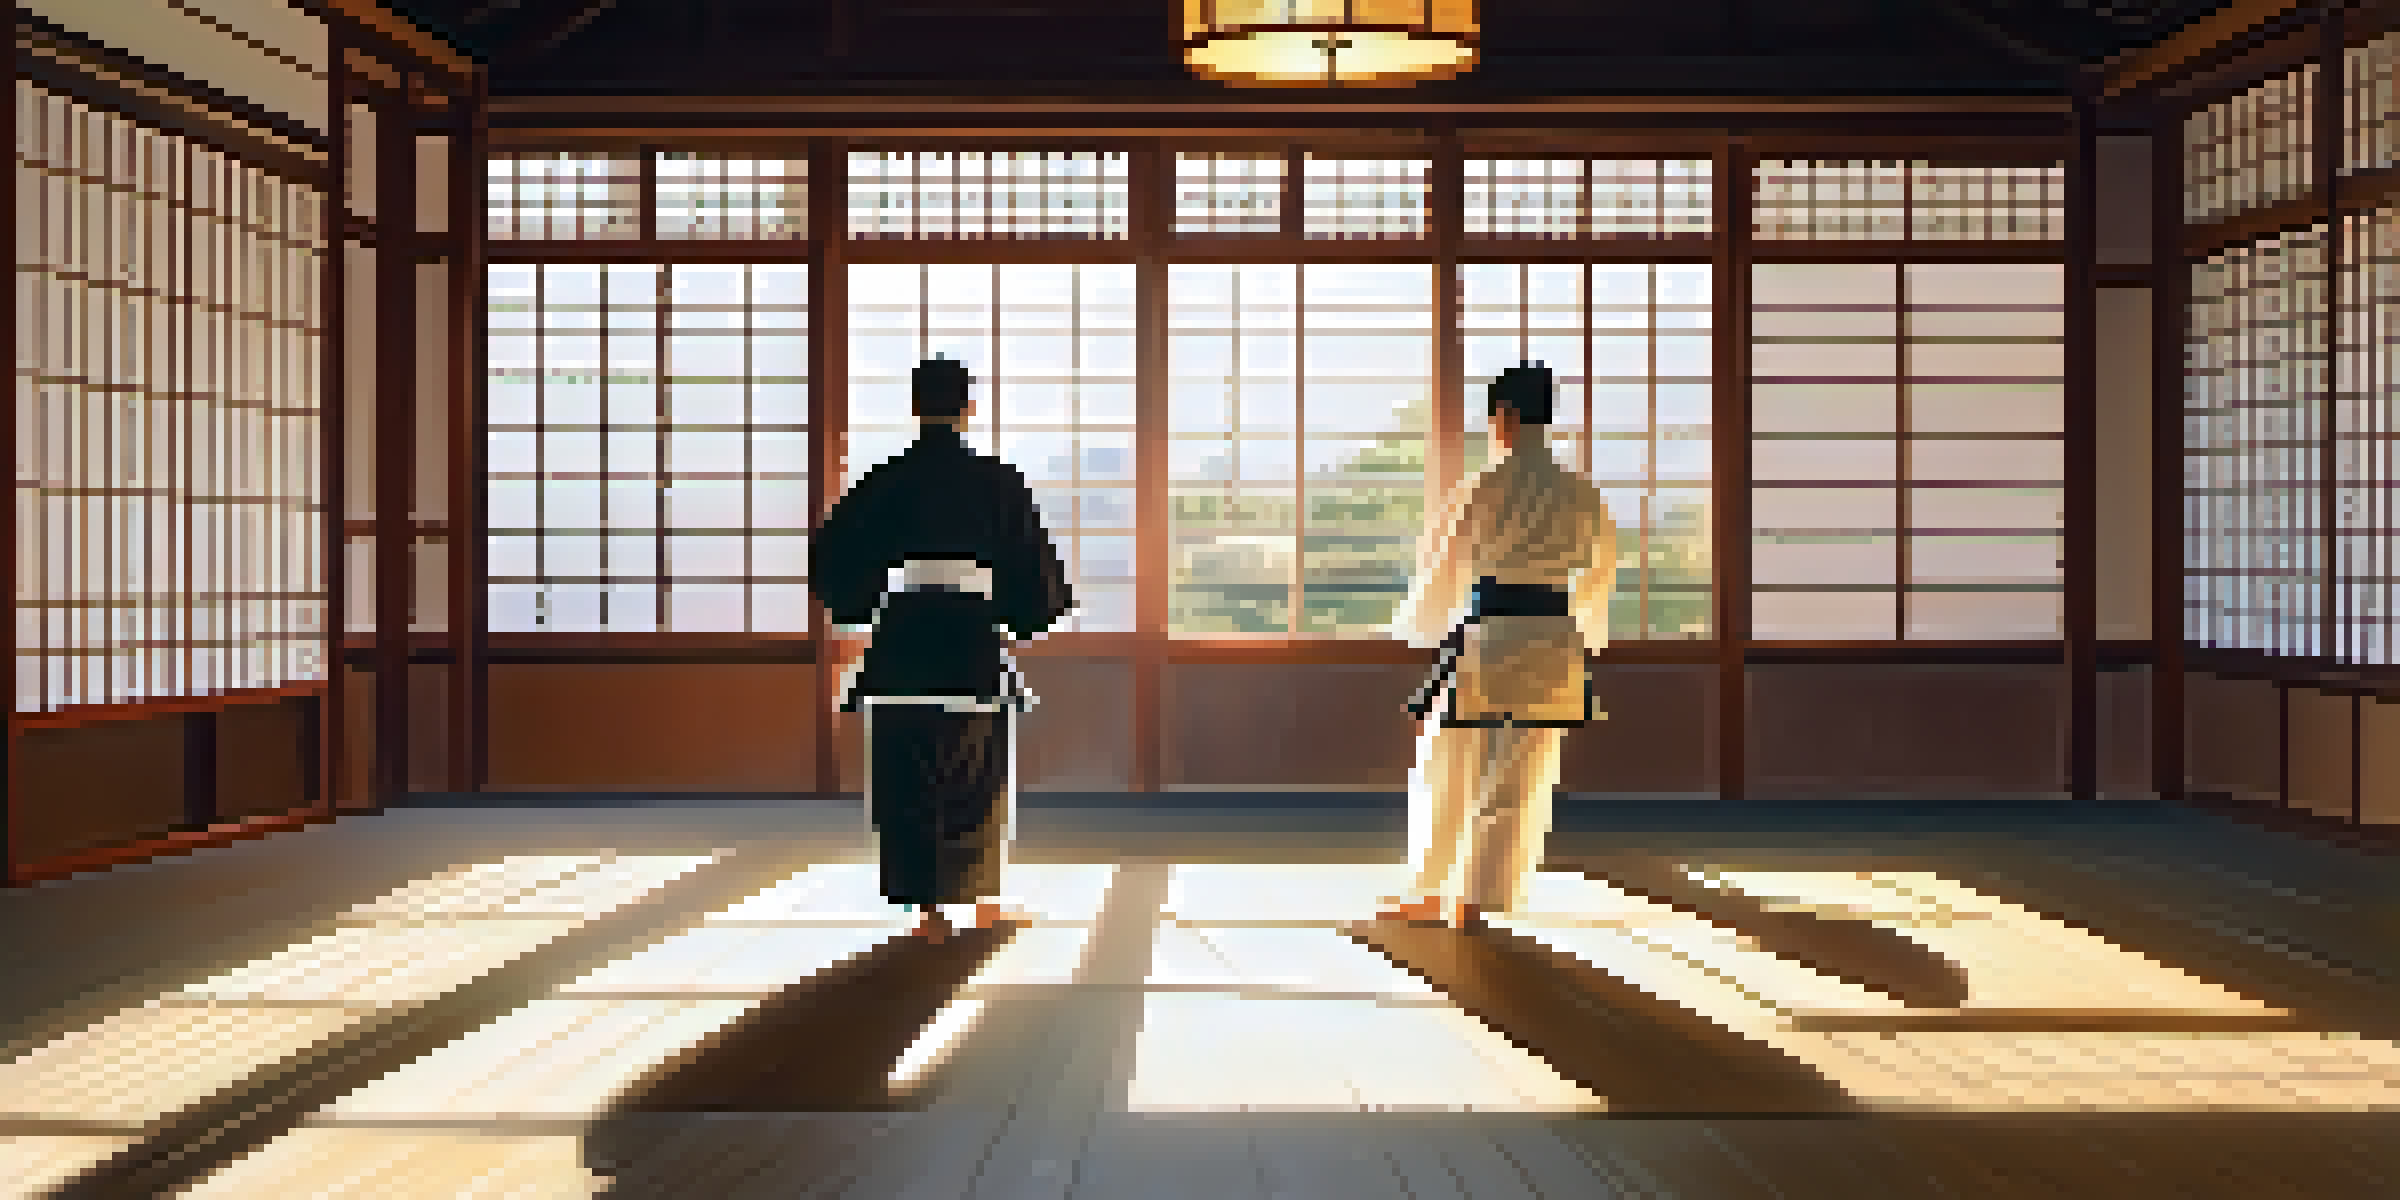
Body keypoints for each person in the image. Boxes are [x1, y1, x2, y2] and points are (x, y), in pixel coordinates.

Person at [810, 355, 1073, 941]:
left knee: (906, 772)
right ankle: (983, 905)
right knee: (976, 772)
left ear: (915, 407)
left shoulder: (884, 480)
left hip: (902, 635)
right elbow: (1034, 571)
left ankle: (927, 915)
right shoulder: (998, 483)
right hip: (970, 638)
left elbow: (833, 558)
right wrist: (1017, 614)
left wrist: (864, 602)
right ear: (968, 408)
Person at [1378, 363, 1618, 928]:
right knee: (1522, 768)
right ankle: (1479, 897)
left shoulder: (1484, 486)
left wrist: (1420, 626)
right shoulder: (1580, 492)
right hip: (1554, 638)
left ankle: (1434, 886)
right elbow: (1601, 570)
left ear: (1505, 418)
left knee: (1451, 759)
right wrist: (1581, 627)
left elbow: (1446, 566)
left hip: (1490, 636)